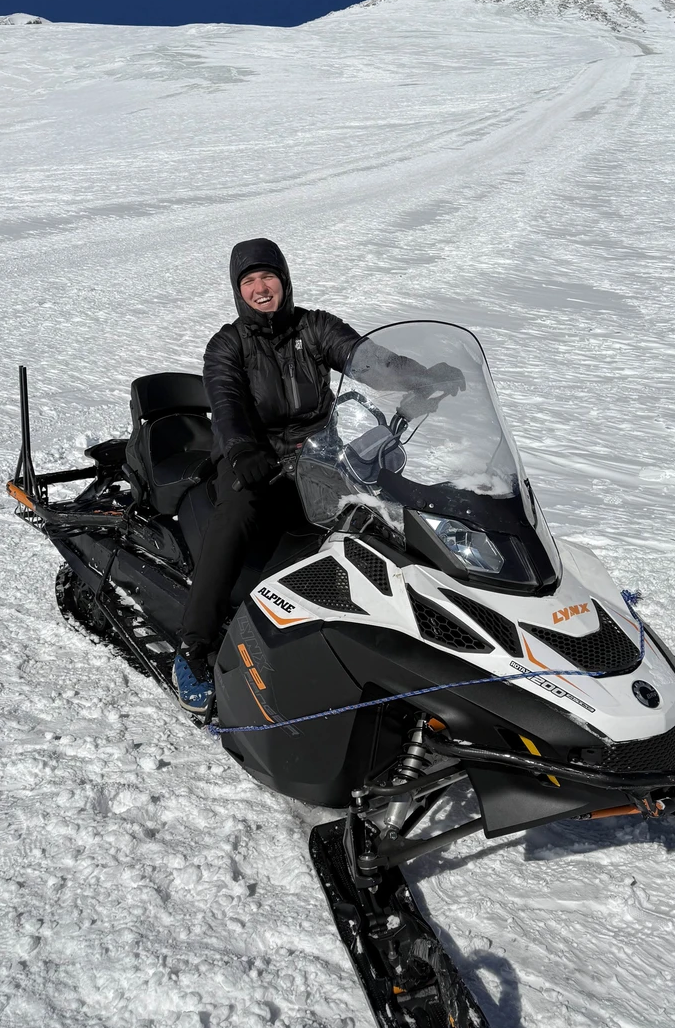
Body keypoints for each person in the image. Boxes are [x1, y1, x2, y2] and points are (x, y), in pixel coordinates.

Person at [172, 237, 464, 714]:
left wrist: (422, 377)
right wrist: (244, 448)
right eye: (249, 281)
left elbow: (371, 361)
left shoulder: (314, 327)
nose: (261, 288)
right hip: (252, 458)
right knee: (237, 517)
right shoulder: (227, 345)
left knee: (378, 516)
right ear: (237, 291)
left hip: (315, 455)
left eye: (268, 277)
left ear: (284, 280)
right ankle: (193, 647)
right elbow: (226, 403)